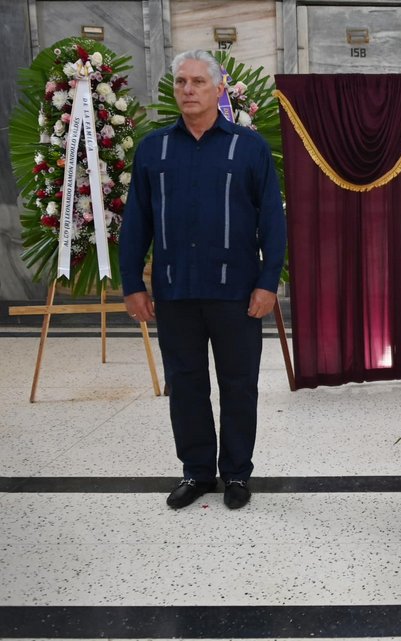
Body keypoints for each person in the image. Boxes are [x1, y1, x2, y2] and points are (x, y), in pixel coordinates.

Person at [119, 50, 286, 511]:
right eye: (180, 82)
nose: (188, 90)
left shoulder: (248, 148)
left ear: (218, 90)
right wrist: (132, 282)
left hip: (237, 293)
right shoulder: (154, 149)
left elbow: (272, 220)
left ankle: (235, 474)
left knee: (238, 385)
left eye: (197, 82)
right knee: (186, 384)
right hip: (175, 292)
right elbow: (137, 220)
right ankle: (196, 472)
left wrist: (268, 281)